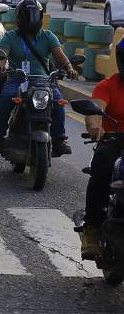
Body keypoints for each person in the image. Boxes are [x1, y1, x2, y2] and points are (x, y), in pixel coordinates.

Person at [0, 0, 78, 155]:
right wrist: (0, 64)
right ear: (20, 18)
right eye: (28, 16)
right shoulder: (10, 37)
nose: (32, 20)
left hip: (44, 81)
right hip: (18, 79)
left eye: (35, 16)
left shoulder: (48, 36)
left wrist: (69, 68)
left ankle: (59, 139)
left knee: (57, 101)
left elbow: (60, 57)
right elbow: (3, 54)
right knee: (6, 96)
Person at [80, 38, 124, 259]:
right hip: (114, 142)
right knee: (102, 164)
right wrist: (96, 127)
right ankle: (92, 228)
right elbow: (95, 110)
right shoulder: (107, 85)